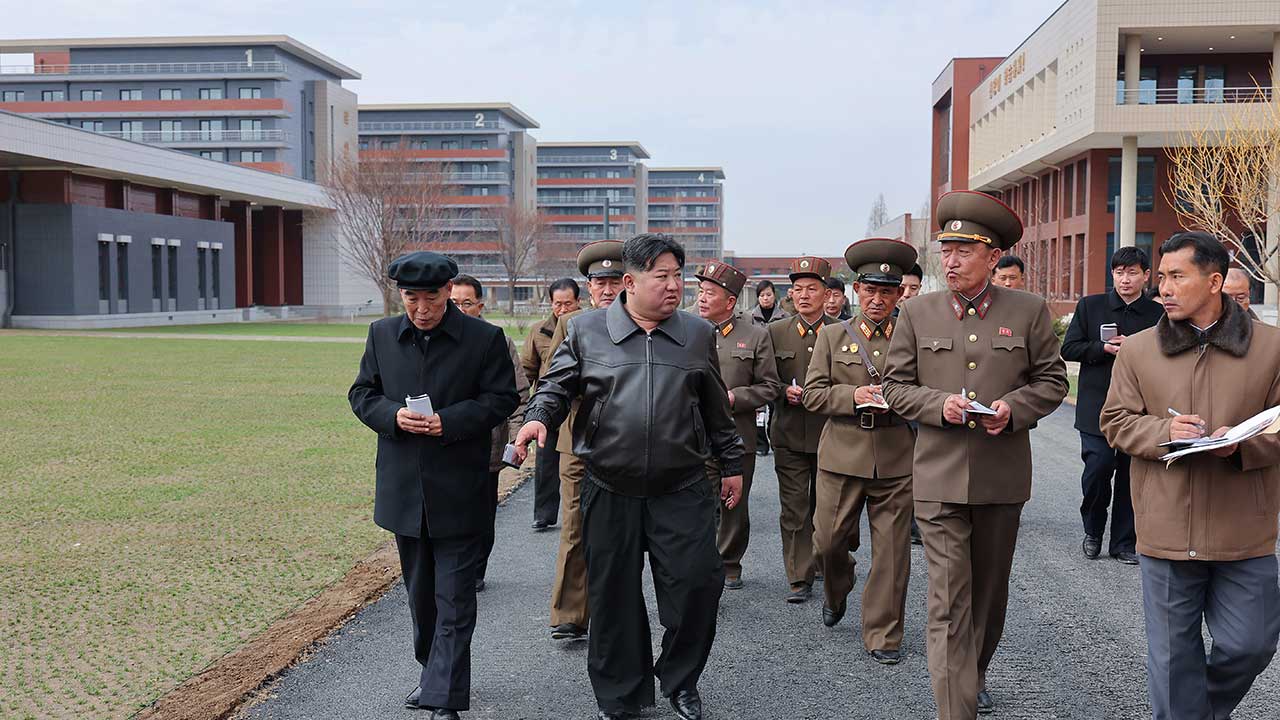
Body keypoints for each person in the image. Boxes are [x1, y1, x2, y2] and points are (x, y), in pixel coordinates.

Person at [514, 233, 745, 720]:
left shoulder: (696, 335)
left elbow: (715, 409)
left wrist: (732, 464)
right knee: (614, 598)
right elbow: (555, 387)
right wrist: (538, 416)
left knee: (698, 588)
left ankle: (680, 680)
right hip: (609, 484)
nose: (674, 286)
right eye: (661, 276)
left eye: (678, 276)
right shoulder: (585, 330)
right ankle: (621, 695)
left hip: (680, 486)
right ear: (629, 281)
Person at [884, 191, 1068, 719]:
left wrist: (1013, 407)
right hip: (938, 478)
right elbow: (896, 387)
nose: (952, 260)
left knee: (988, 597)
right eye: (947, 249)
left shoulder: (1028, 311)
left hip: (1000, 477)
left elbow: (1053, 380)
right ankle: (955, 708)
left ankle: (974, 671)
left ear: (993, 256)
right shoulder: (916, 312)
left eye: (965, 250)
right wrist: (941, 404)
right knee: (946, 602)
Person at [1100, 231, 1280, 720]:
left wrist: (1242, 446)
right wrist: (1164, 431)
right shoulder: (1138, 351)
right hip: (1164, 527)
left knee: (1252, 644)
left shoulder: (1271, 348)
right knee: (1173, 659)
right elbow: (1114, 421)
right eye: (1162, 277)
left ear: (1215, 281)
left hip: (1245, 529)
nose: (1165, 287)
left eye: (1177, 276)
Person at [348, 252, 519, 719]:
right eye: (411, 298)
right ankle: (432, 670)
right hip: (404, 491)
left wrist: (449, 421)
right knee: (422, 598)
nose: (421, 309)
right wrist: (393, 417)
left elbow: (502, 398)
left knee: (455, 597)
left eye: (431, 298)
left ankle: (443, 697)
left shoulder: (484, 339)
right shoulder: (382, 334)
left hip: (461, 489)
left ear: (449, 292)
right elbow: (362, 393)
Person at [804, 237, 918, 665]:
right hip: (841, 455)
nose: (877, 299)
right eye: (870, 290)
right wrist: (855, 395)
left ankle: (883, 634)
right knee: (828, 544)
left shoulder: (913, 337)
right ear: (856, 291)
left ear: (898, 295)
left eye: (887, 292)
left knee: (892, 553)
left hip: (896, 455)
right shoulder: (834, 336)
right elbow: (813, 395)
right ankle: (838, 587)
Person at [1059, 247, 1163, 565]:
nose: (1125, 279)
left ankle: (1123, 543)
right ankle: (1093, 531)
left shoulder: (1157, 314)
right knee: (1098, 470)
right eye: (1119, 272)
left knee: (1133, 477)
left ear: (1146, 275)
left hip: (1140, 410)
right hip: (1096, 408)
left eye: (1132, 272)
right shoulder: (1091, 306)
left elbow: (1168, 355)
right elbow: (1069, 348)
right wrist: (1102, 347)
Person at [543, 242, 625, 642]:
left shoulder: (641, 322)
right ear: (588, 287)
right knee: (574, 527)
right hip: (576, 440)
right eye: (599, 282)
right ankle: (570, 613)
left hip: (625, 443)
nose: (607, 290)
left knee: (622, 531)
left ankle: (615, 614)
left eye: (614, 281)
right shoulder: (571, 324)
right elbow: (553, 379)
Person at [694, 260, 781, 590]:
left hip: (736, 435)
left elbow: (770, 386)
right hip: (694, 435)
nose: (702, 298)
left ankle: (729, 562)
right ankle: (701, 561)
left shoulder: (755, 335)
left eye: (710, 294)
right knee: (697, 502)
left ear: (730, 301)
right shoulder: (686, 330)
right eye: (700, 292)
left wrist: (735, 398)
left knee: (734, 504)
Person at [767, 256, 841, 603]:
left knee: (827, 508)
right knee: (794, 507)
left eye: (812, 289)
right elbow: (764, 379)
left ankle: (827, 562)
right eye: (797, 289)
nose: (804, 295)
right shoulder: (774, 332)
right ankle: (799, 576)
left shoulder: (843, 331)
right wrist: (784, 391)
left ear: (827, 294)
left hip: (833, 434)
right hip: (790, 432)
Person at [450, 275, 529, 591]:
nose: (459, 309)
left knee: (481, 512)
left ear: (480, 305)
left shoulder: (497, 340)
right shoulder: (435, 339)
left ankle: (475, 571)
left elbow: (518, 393)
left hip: (486, 446)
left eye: (466, 303)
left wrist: (515, 437)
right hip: (445, 444)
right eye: (453, 302)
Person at [520, 277, 581, 531]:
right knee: (545, 463)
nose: (563, 309)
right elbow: (528, 370)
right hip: (548, 406)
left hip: (575, 407)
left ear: (578, 301)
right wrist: (528, 411)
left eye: (568, 303)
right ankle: (544, 513)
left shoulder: (584, 326)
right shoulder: (538, 331)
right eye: (558, 304)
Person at [898, 261, 925, 546]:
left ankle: (917, 520)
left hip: (919, 405)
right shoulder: (883, 321)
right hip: (889, 407)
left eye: (913, 288)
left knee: (919, 466)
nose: (907, 293)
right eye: (902, 287)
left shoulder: (928, 319)